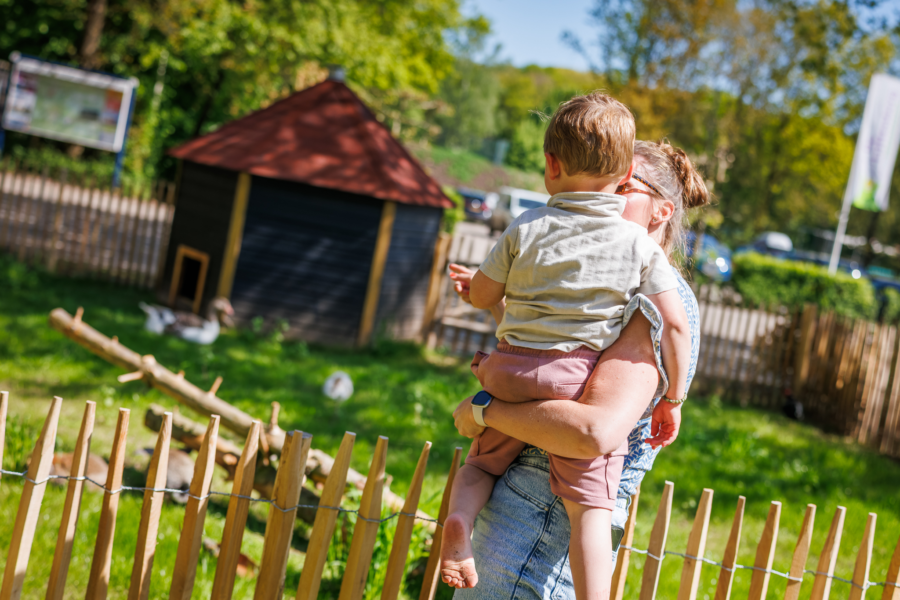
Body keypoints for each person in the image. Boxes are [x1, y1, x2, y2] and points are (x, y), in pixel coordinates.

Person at [438, 92, 693, 600]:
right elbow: (675, 329)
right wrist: (675, 397)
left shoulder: (527, 225)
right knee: (591, 513)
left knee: (478, 465)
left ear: (550, 166)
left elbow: (510, 313)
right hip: (567, 381)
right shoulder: (636, 252)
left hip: (505, 372)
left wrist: (484, 406)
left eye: (630, 188)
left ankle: (457, 519)